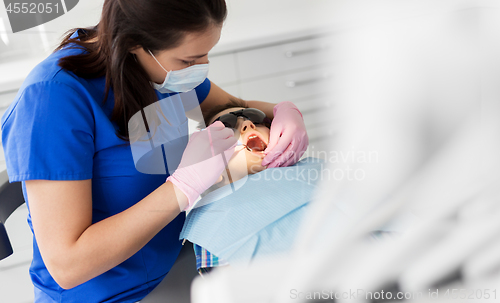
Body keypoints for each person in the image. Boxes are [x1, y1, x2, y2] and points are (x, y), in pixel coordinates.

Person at [0, 0, 308, 302]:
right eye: (188, 61)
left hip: (180, 261)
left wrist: (283, 110)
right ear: (134, 42)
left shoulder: (155, 69)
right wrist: (182, 187)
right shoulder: (52, 99)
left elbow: (228, 108)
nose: (200, 70)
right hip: (110, 294)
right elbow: (67, 266)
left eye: (206, 55)